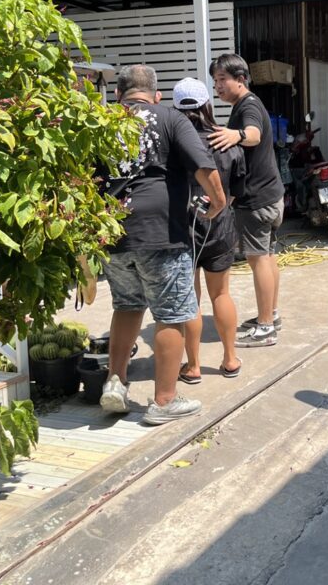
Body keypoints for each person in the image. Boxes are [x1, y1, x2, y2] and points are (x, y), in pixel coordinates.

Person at [98, 65, 226, 425]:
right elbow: (202, 164)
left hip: (113, 229)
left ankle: (115, 382)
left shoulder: (102, 123)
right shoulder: (170, 118)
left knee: (127, 306)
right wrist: (218, 202)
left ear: (118, 94)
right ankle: (164, 400)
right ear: (156, 95)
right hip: (161, 231)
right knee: (171, 315)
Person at [207, 54, 286, 347]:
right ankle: (271, 315)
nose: (218, 86)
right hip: (271, 195)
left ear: (240, 80)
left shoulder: (248, 106)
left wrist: (236, 134)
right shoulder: (247, 104)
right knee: (267, 255)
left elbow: (253, 134)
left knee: (258, 259)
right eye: (215, 81)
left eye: (222, 80)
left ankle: (265, 328)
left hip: (256, 200)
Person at [171, 77, 246, 382]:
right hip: (220, 225)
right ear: (207, 105)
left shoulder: (172, 144)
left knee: (191, 297)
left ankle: (193, 366)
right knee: (222, 294)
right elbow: (237, 189)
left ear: (175, 108)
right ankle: (230, 359)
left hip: (182, 227)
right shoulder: (226, 141)